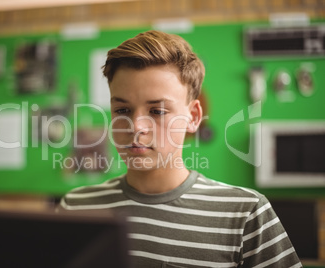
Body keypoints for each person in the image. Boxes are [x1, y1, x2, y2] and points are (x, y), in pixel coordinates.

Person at [58, 30, 302, 267]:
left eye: (157, 111)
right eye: (122, 110)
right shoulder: (76, 209)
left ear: (194, 117)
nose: (136, 127)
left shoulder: (246, 214)